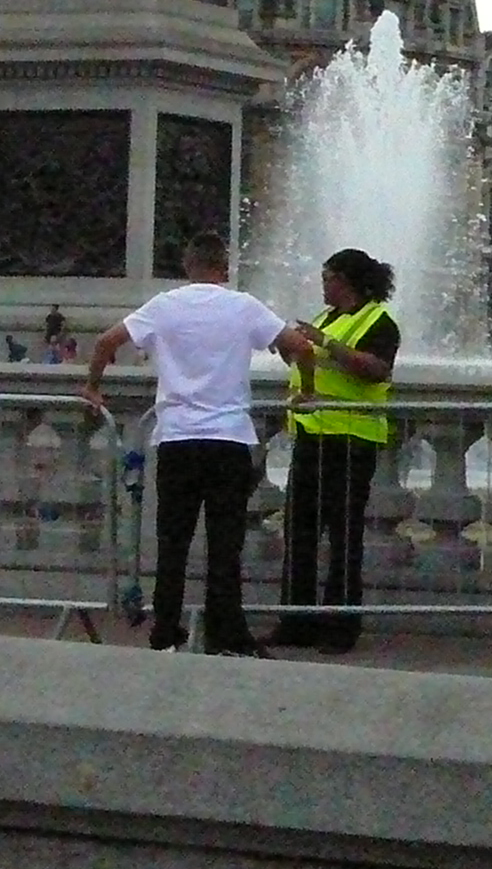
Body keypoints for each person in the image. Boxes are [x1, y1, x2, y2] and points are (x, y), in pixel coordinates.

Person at [81, 230, 318, 656]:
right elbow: (300, 347)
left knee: (173, 541)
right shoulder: (244, 306)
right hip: (229, 439)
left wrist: (94, 388)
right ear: (223, 266)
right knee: (225, 545)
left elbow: (105, 342)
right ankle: (227, 633)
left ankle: (165, 631)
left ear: (188, 265)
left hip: (176, 437)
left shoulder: (165, 306)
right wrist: (307, 390)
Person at [267, 248, 400, 656]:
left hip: (351, 439)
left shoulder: (378, 321)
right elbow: (314, 362)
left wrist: (325, 343)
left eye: (328, 277)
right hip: (312, 435)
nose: (322, 284)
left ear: (347, 281)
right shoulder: (325, 317)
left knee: (343, 536)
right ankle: (297, 619)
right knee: (299, 532)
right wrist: (290, 348)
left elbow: (376, 369)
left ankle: (341, 624)